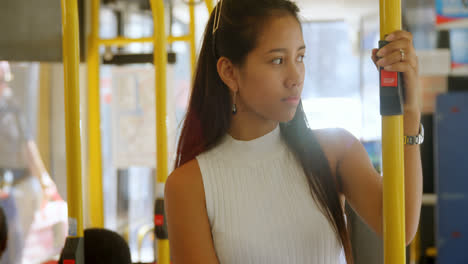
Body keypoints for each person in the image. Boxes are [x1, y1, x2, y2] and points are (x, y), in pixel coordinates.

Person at [164, 0, 423, 263]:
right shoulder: (189, 187)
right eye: (277, 60)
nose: (295, 76)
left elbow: (400, 228)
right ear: (229, 72)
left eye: (300, 57)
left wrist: (410, 111)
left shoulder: (335, 152)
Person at [0, 61, 60, 263]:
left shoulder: (11, 109)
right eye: (2, 81)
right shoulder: (10, 109)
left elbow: (28, 147)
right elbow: (28, 148)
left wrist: (44, 180)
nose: (4, 87)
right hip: (10, 188)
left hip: (12, 186)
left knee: (14, 241)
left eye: (5, 81)